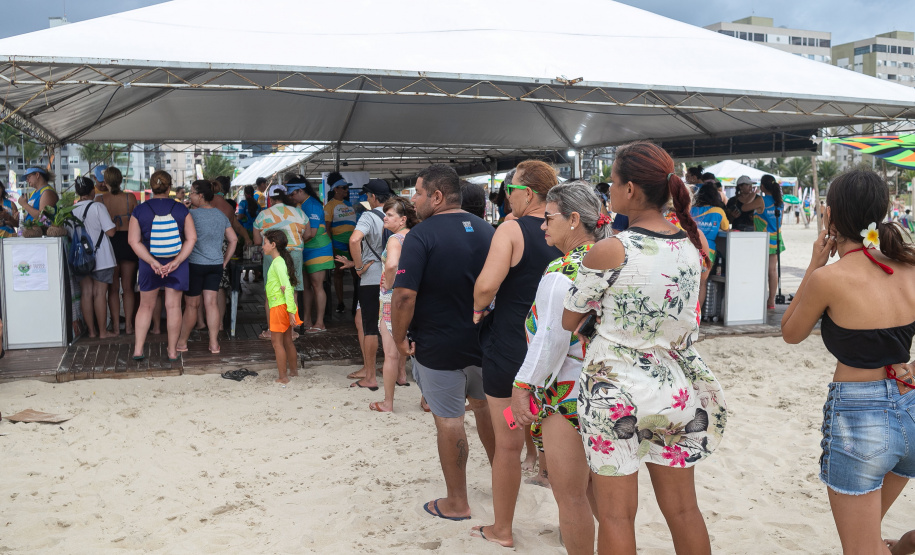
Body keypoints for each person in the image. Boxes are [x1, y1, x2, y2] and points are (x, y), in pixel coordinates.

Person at [561, 141, 726, 554]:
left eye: (613, 184)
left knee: (617, 517)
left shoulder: (612, 249)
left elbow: (569, 319)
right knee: (685, 511)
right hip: (674, 387)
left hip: (614, 390)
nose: (610, 193)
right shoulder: (693, 248)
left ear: (630, 189)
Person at [780, 168, 915, 554]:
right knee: (869, 536)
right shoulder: (909, 266)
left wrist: (813, 266)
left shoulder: (830, 279)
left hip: (859, 414)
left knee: (860, 548)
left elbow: (791, 332)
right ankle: (904, 545)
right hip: (911, 404)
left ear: (832, 217)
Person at [510, 180, 610, 554]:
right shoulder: (612, 257)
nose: (542, 225)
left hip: (566, 393)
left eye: (548, 217)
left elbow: (551, 339)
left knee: (570, 497)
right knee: (602, 494)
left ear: (572, 219)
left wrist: (523, 386)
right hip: (608, 389)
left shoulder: (563, 269)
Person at [392, 163, 496, 522]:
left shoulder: (421, 235)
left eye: (418, 193)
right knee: (485, 410)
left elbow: (404, 294)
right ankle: (503, 481)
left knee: (450, 420)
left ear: (436, 196)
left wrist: (398, 336)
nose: (413, 200)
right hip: (485, 339)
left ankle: (457, 501)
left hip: (439, 342)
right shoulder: (489, 230)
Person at [471, 160, 562, 547]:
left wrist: (477, 310)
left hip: (512, 346)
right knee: (565, 444)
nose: (507, 196)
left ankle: (502, 530)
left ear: (526, 193)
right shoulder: (572, 228)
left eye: (510, 189)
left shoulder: (511, 228)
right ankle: (571, 527)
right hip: (561, 347)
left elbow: (485, 287)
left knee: (508, 444)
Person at [339, 196, 418, 412]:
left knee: (391, 353)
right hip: (414, 296)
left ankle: (388, 402)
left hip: (392, 298)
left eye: (390, 215)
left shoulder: (394, 239)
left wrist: (389, 283)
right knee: (417, 349)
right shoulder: (416, 236)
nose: (385, 218)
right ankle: (426, 399)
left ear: (402, 219)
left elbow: (391, 264)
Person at [128, 170, 196, 361]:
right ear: (169, 187)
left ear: (152, 186)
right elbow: (192, 238)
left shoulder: (140, 210)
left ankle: (138, 350)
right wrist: (176, 261)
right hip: (177, 263)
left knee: (145, 306)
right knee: (173, 307)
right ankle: (173, 351)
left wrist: (152, 262)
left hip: (149, 263)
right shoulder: (182, 209)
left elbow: (133, 241)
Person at [177, 180, 237, 354]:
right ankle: (214, 344)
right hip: (216, 264)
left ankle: (182, 342)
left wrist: (183, 208)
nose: (190, 195)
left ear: (200, 195)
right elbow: (233, 239)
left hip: (195, 265)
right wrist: (225, 260)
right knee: (212, 304)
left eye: (192, 193)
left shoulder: (191, 215)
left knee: (192, 305)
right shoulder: (220, 215)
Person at [346, 178, 392, 390]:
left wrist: (357, 266)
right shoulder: (397, 215)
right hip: (393, 276)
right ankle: (398, 373)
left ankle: (370, 374)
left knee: (369, 325)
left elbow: (355, 240)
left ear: (373, 197)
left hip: (372, 277)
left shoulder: (368, 216)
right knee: (392, 324)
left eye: (367, 195)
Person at [253, 184, 307, 340]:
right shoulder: (299, 213)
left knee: (272, 294)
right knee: (293, 293)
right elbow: (308, 233)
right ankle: (291, 331)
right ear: (286, 195)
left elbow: (257, 240)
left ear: (270, 198)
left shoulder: (263, 215)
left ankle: (272, 330)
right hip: (295, 253)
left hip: (273, 254)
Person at [73, 176, 118, 339]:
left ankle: (91, 332)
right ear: (93, 191)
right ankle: (103, 333)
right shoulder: (98, 207)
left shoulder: (71, 211)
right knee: (100, 294)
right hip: (102, 257)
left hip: (80, 260)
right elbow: (111, 232)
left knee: (86, 293)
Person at [286, 176, 333, 332]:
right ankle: (306, 320)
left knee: (317, 286)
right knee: (305, 286)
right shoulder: (302, 205)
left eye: (293, 194)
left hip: (318, 249)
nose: (291, 198)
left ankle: (320, 323)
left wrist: (293, 243)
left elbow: (311, 233)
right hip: (305, 250)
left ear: (301, 191)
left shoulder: (311, 205)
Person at [98, 167, 139, 335]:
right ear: (121, 180)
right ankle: (129, 326)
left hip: (110, 243)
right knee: (128, 288)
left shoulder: (100, 199)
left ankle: (115, 326)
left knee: (112, 289)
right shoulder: (130, 197)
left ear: (105, 182)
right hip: (128, 241)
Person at [263, 229, 304, 385]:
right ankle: (293, 371)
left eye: (265, 243)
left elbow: (286, 286)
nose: (263, 246)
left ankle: (283, 377)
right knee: (287, 341)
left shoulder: (278, 262)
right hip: (284, 306)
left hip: (279, 307)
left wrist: (291, 311)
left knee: (277, 343)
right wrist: (291, 309)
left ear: (273, 245)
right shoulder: (280, 261)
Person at [691, 182, 730, 312]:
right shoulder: (718, 211)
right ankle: (698, 315)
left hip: (690, 248)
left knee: (690, 281)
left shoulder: (691, 209)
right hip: (709, 251)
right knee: (702, 283)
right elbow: (725, 227)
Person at [323, 172, 358, 313]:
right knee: (339, 273)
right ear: (336, 189)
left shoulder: (349, 204)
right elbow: (327, 229)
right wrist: (331, 247)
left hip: (353, 244)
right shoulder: (329, 207)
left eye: (347, 188)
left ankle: (357, 301)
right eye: (344, 188)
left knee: (356, 272)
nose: (346, 190)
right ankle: (340, 302)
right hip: (338, 244)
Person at [757, 174, 786, 310]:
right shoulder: (779, 201)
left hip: (762, 238)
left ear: (762, 186)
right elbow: (780, 222)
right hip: (776, 237)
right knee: (772, 270)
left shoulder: (760, 200)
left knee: (760, 270)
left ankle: (758, 297)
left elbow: (744, 208)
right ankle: (771, 301)